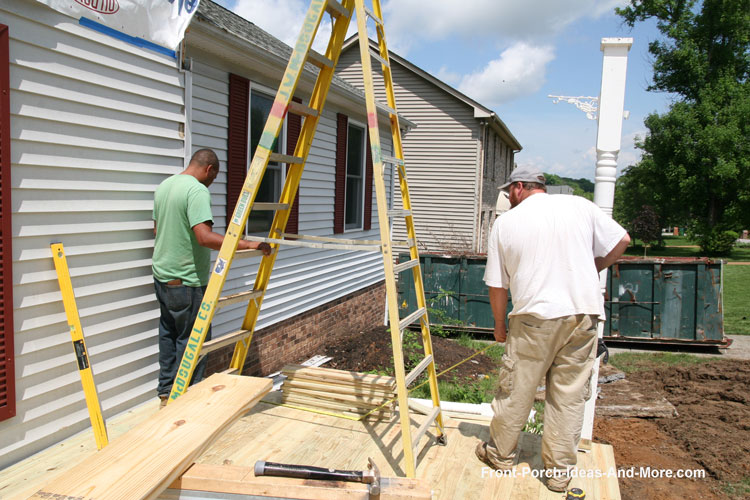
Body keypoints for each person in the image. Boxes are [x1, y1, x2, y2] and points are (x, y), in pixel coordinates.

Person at [477, 165, 630, 492]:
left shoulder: (507, 223)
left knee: (516, 390)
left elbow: (497, 287)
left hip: (535, 318)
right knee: (569, 397)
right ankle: (559, 474)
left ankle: (501, 456)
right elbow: (623, 239)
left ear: (519, 187)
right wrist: (594, 266)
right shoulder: (581, 206)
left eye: (509, 192)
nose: (509, 198)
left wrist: (499, 325)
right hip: (583, 316)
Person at [152, 148, 271, 407]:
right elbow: (204, 237)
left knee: (168, 334)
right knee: (193, 341)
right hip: (187, 281)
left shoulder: (165, 186)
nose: (211, 183)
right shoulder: (197, 191)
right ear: (209, 169)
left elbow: (157, 230)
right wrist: (248, 244)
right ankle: (187, 401)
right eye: (213, 178)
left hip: (162, 277)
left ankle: (166, 393)